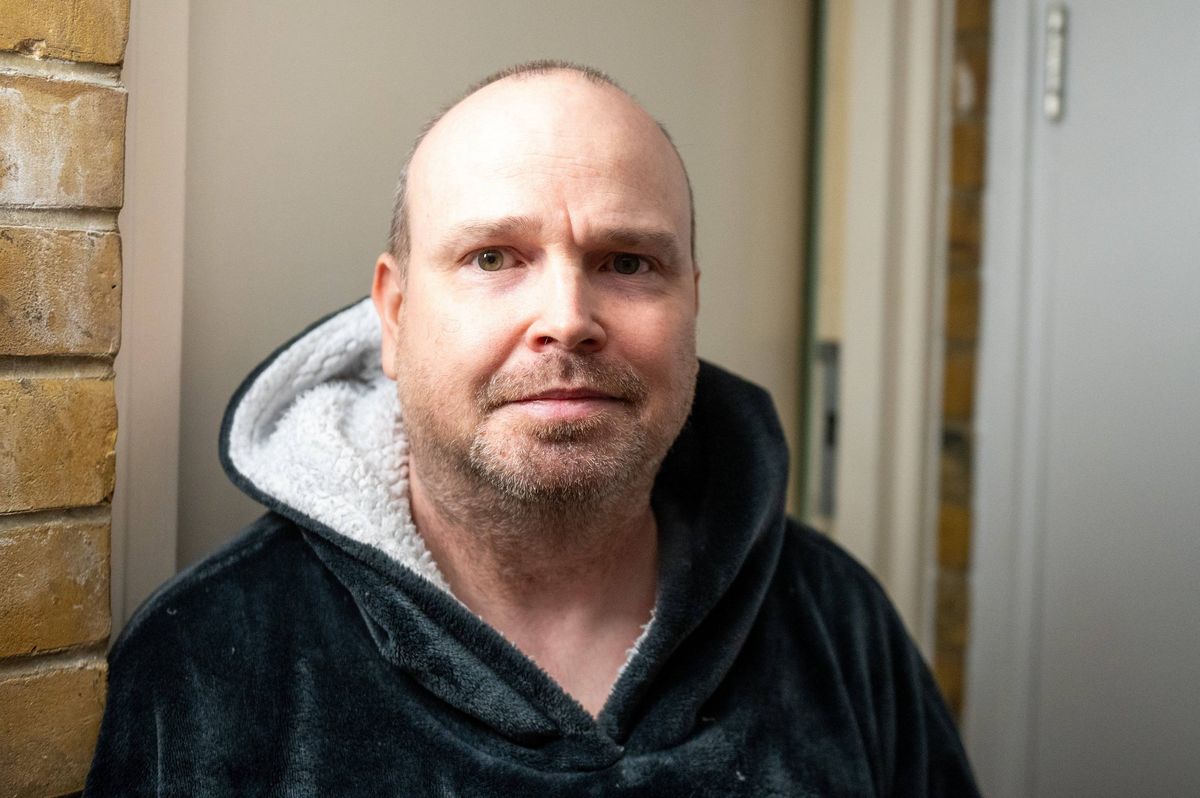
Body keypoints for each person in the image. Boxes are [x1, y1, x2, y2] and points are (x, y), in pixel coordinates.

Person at [85, 61, 979, 796]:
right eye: (492, 258)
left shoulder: (837, 624)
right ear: (393, 318)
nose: (567, 316)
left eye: (627, 262)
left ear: (693, 304)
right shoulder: (208, 665)